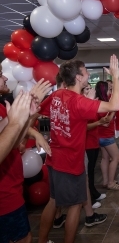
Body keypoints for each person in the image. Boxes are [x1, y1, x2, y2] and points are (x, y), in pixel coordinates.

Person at [37, 55, 119, 243]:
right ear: (79, 77)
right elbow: (114, 105)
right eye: (85, 71)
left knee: (53, 201)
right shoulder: (79, 101)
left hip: (54, 159)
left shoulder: (57, 95)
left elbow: (37, 111)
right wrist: (115, 77)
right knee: (75, 206)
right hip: (70, 162)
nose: (88, 74)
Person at [0, 79, 51, 243]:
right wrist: (15, 122)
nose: (6, 78)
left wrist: (30, 115)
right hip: (4, 195)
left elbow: (14, 143)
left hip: (12, 190)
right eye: (1, 74)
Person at [95, 81, 119, 190]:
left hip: (100, 135)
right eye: (109, 89)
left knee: (105, 158)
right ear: (104, 90)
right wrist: (114, 110)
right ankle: (111, 182)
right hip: (106, 136)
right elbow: (106, 122)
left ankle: (106, 181)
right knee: (116, 157)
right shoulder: (104, 104)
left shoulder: (98, 102)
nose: (110, 91)